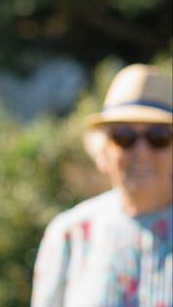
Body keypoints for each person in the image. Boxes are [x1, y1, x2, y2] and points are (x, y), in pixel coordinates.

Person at [31, 64, 172, 306]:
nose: (141, 152)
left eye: (158, 137)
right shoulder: (70, 233)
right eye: (124, 137)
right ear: (104, 150)